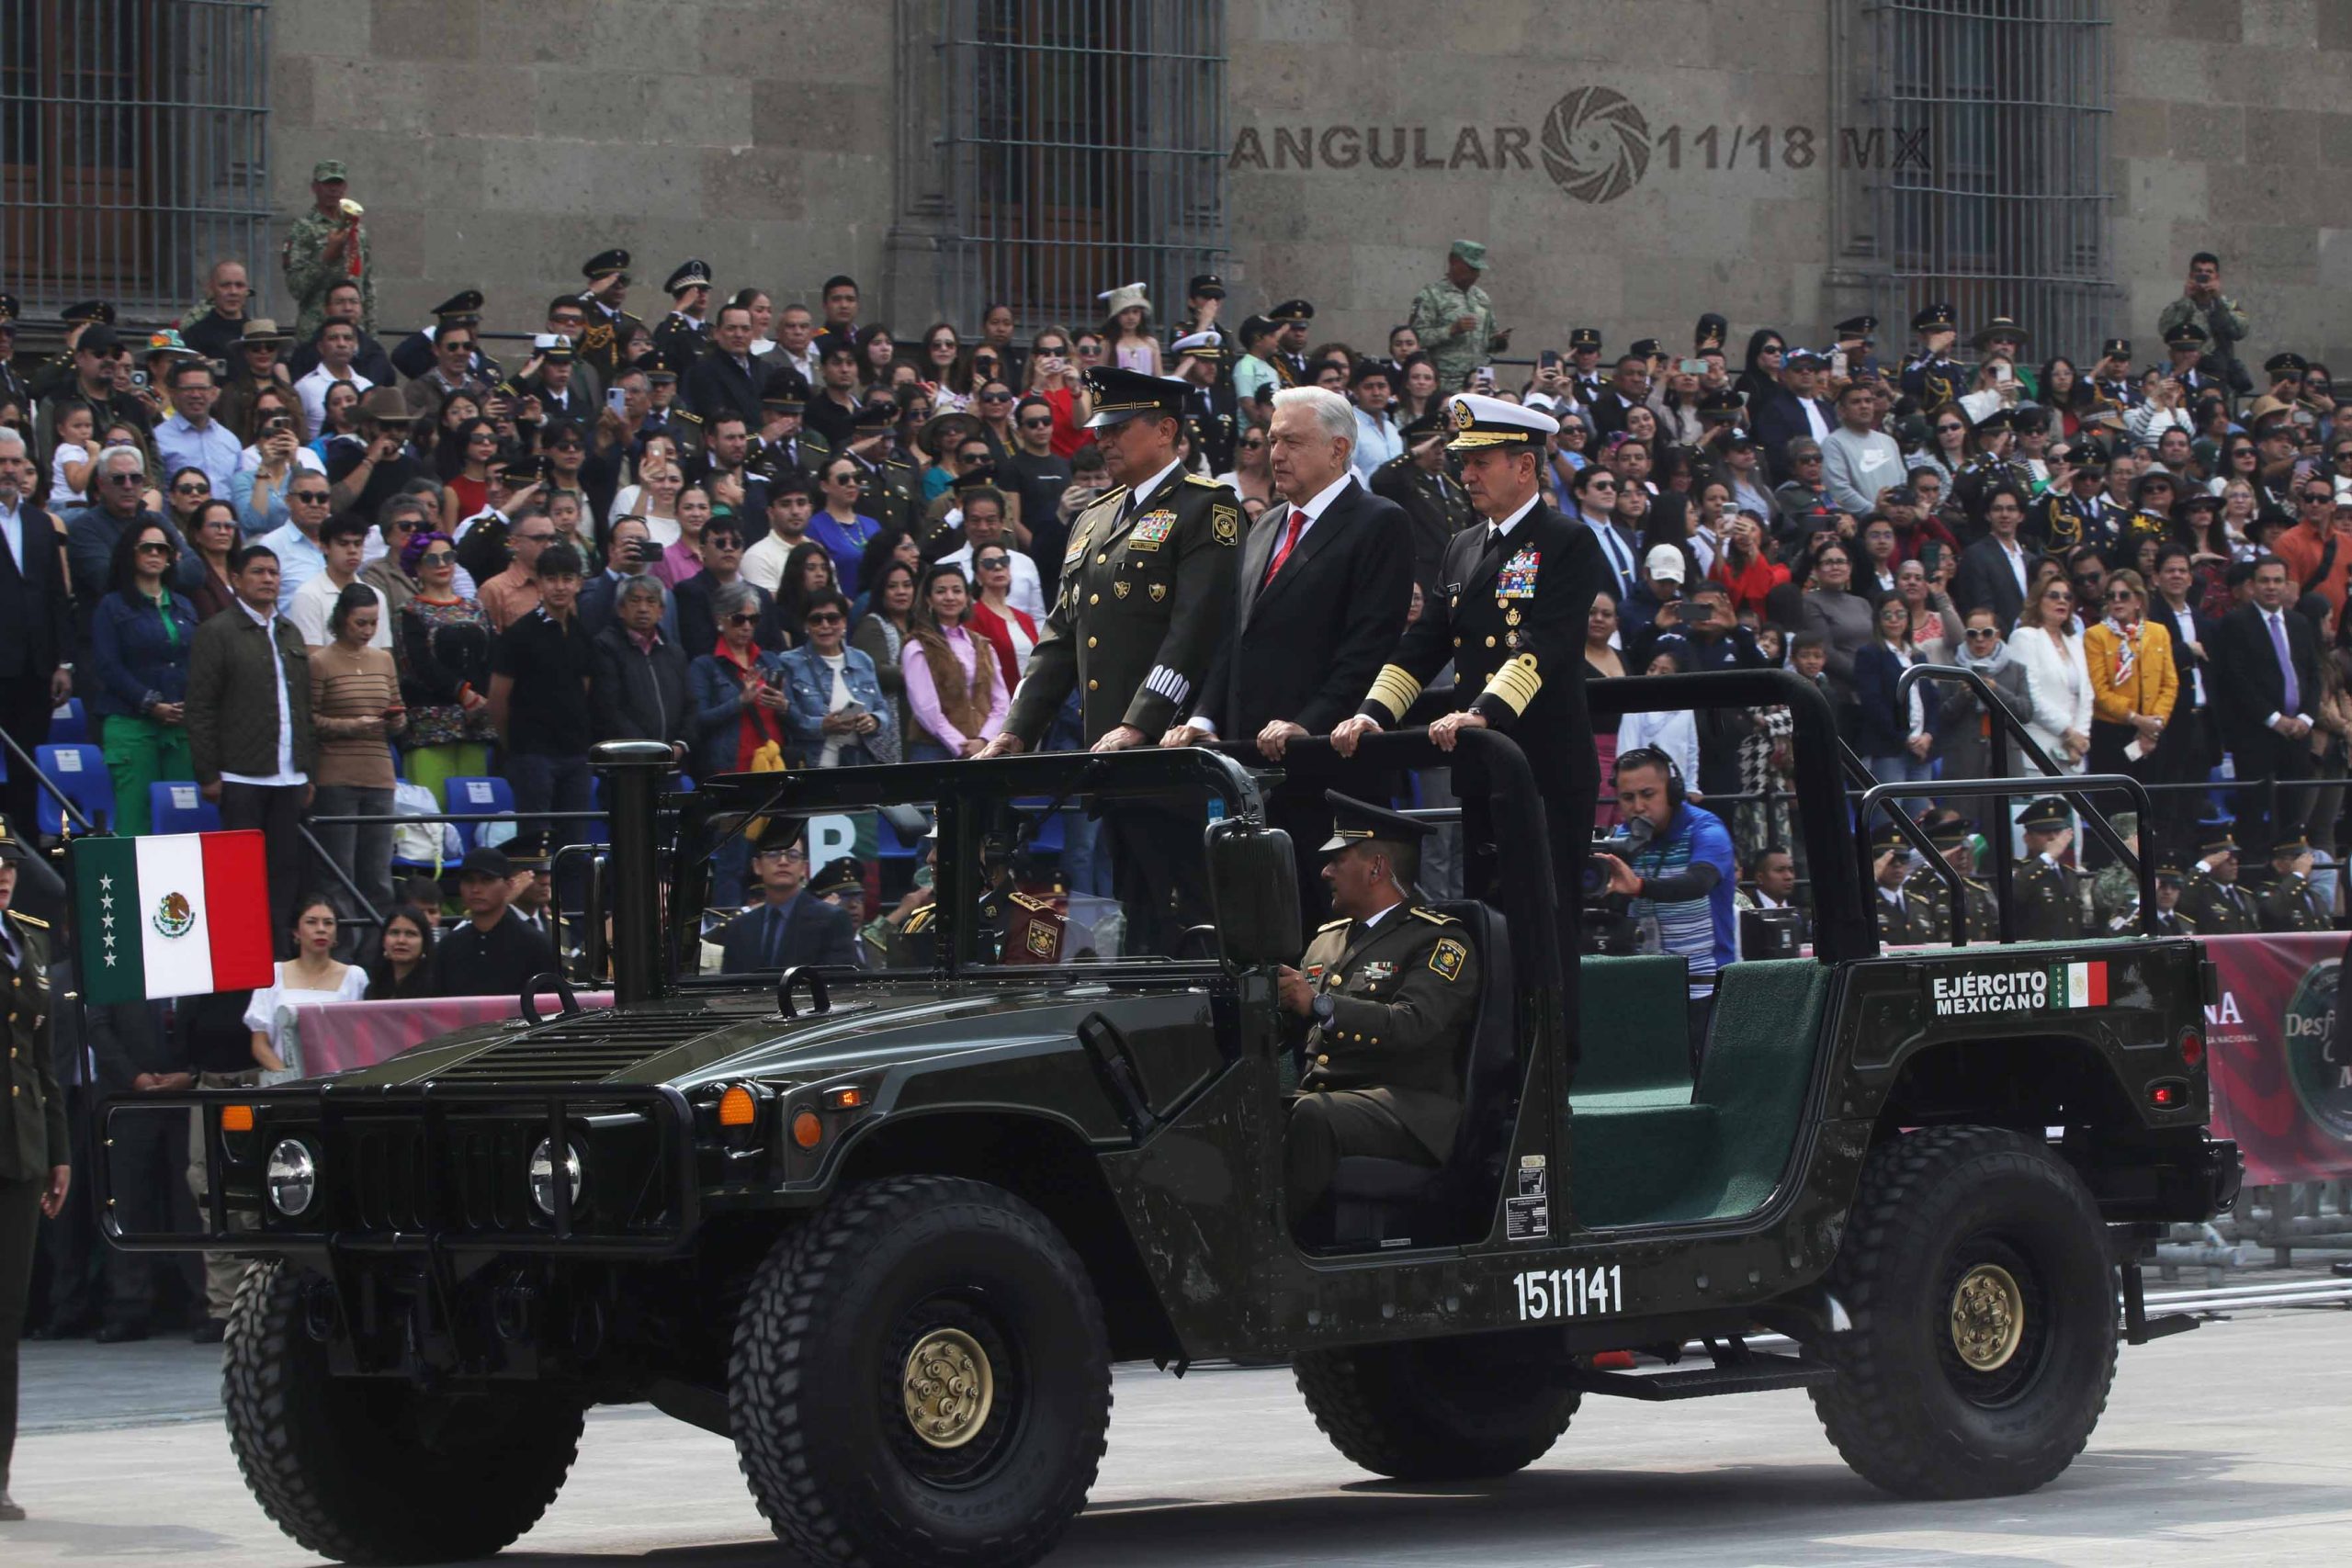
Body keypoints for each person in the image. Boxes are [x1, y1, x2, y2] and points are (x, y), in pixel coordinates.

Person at [979, 367, 1241, 954]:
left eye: (1120, 427)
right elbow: (1060, 637)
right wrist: (1017, 729)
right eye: (1101, 427)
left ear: (1166, 429)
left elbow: (1195, 629)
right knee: (1136, 910)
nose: (1103, 439)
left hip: (1172, 750)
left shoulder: (1207, 508)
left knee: (1189, 914)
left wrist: (1141, 722)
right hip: (1109, 754)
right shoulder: (1094, 519)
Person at [1332, 392, 1611, 933]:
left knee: (1546, 928)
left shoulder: (1567, 541)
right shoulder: (1463, 545)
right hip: (1483, 769)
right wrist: (1373, 714)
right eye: (1464, 461)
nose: (1467, 473)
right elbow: (1425, 644)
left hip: (1542, 765)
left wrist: (1483, 713)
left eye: (1481, 461)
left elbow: (1542, 643)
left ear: (1525, 465)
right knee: (1489, 924)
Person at [1167, 385, 1414, 909]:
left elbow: (1369, 646)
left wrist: (1312, 722)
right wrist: (1205, 718)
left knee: (1325, 930)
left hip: (1328, 771)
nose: (1276, 454)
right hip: (1250, 773)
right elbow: (1234, 637)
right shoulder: (1266, 525)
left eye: (1293, 442)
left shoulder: (1379, 521)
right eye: (1273, 440)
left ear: (1339, 449)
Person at [1276, 793, 1476, 1230]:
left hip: (1406, 1106)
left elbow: (1413, 1024)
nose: (1325, 871)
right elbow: (1294, 1028)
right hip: (1330, 1097)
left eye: (1338, 860)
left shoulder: (1438, 942)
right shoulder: (1326, 940)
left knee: (1313, 1115)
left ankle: (1270, 1245)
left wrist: (1321, 1005)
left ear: (1377, 868)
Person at [187, 544, 314, 942]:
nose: (268, 579)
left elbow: (303, 707)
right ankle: (240, 946)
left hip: (289, 775)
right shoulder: (217, 631)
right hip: (240, 774)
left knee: (287, 868)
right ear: (237, 580)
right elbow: (201, 707)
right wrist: (208, 773)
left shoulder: (290, 631)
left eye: (273, 573)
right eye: (257, 572)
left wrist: (307, 770)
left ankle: (276, 951)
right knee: (241, 869)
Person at [0, 821, 69, 1522]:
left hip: (16, 1151)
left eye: (9, 863)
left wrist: (57, 1150)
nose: (2, 873)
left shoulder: (30, 939)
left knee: (4, 1319)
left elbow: (40, 1060)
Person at [87, 520, 198, 833]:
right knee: (135, 820)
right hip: (131, 725)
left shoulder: (184, 605)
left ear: (170, 556)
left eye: (161, 548)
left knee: (182, 819)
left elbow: (195, 661)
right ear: (130, 554)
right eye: (146, 547)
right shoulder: (111, 605)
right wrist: (150, 704)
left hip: (180, 725)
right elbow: (107, 667)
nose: (154, 553)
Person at [491, 544, 596, 870]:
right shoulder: (519, 634)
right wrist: (514, 747)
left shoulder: (581, 634)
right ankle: (536, 916)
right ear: (539, 583)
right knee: (534, 846)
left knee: (575, 847)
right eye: (552, 579)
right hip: (532, 753)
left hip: (575, 754)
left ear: (579, 582)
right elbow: (497, 699)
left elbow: (585, 690)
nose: (560, 586)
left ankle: (576, 918)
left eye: (567, 578)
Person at [2212, 556, 2320, 863]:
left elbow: (2313, 674)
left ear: (2286, 585)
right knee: (2253, 811)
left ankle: (2291, 881)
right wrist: (2274, 720)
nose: (2271, 587)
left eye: (2277, 581)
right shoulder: (2236, 623)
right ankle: (2254, 879)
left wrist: (2305, 718)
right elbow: (2236, 679)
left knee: (2293, 813)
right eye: (2265, 581)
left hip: (2298, 736)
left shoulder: (2299, 623)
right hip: (2256, 736)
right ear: (2252, 585)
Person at [0, 430, 69, 840]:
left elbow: (57, 596)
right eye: (1, 461)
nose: (8, 470)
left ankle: (22, 853)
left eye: (15, 462)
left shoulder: (41, 523)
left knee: (28, 766)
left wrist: (63, 661)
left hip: (35, 667)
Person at [394, 530, 494, 804]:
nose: (442, 564)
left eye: (448, 557)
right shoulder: (410, 612)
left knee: (476, 810)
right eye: (432, 559)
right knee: (433, 813)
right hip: (429, 728)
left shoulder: (476, 607)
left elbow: (490, 656)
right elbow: (418, 665)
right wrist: (464, 693)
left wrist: (483, 699)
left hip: (475, 724)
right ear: (417, 567)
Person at [245, 897, 368, 1077]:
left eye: (328, 923)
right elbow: (259, 1044)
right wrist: (291, 1077)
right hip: (286, 1085)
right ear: (296, 931)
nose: (321, 929)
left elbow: (358, 1041)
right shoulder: (274, 973)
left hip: (336, 1082)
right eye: (311, 922)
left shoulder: (355, 977)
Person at [718, 826, 859, 974]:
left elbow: (838, 985)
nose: (783, 861)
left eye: (792, 855)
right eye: (773, 854)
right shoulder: (739, 927)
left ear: (804, 867)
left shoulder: (831, 919)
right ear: (757, 866)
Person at [2083, 568, 2176, 792]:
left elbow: (2170, 683)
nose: (2117, 601)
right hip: (2112, 733)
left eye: (2124, 595)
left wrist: (2155, 723)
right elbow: (2099, 691)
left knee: (2154, 802)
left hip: (2153, 730)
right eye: (2111, 596)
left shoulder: (2158, 632)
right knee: (2116, 804)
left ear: (2138, 600)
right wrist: (2135, 719)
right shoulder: (2095, 635)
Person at [777, 589, 889, 767]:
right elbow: (786, 718)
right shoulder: (789, 662)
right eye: (816, 620)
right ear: (806, 625)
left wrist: (874, 721)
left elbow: (882, 707)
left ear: (844, 622)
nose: (825, 625)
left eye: (832, 618)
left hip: (860, 764)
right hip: (812, 765)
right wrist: (822, 726)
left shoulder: (863, 660)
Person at [428, 845, 560, 997]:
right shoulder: (448, 947)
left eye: (487, 880)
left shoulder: (536, 944)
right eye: (469, 881)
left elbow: (549, 1003)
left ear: (509, 885)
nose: (476, 889)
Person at [902, 565, 1004, 760]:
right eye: (941, 591)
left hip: (983, 751)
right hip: (934, 750)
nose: (950, 597)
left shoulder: (982, 645)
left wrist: (984, 740)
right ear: (928, 599)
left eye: (957, 591)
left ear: (966, 598)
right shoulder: (917, 646)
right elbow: (926, 709)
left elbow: (1001, 702)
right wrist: (961, 746)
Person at [590, 574, 691, 751]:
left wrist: (681, 744)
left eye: (651, 601)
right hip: (626, 759)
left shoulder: (674, 652)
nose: (643, 608)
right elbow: (609, 708)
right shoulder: (605, 647)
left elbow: (691, 704)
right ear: (620, 609)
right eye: (635, 601)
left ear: (661, 611)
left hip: (672, 759)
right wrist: (649, 749)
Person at [281, 160, 371, 340]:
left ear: (345, 187)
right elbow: (296, 287)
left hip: (354, 331)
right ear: (315, 187)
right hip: (317, 331)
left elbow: (367, 285)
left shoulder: (357, 229)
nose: (333, 190)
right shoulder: (303, 229)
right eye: (327, 184)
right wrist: (326, 257)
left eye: (337, 183)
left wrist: (371, 332)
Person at [2011, 574, 2092, 773]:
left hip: (2074, 754)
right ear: (2038, 601)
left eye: (2067, 597)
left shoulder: (2075, 642)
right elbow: (2031, 696)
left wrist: (2080, 738)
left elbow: (2087, 694)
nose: (2062, 601)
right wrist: (2068, 731)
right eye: (2054, 595)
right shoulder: (2024, 637)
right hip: (2038, 752)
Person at [2158, 252, 2250, 402]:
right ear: (2191, 275)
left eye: (2209, 272)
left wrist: (2219, 300)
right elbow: (2165, 330)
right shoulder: (2180, 306)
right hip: (2188, 375)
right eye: (2199, 272)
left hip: (2221, 376)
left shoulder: (2228, 305)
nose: (2203, 275)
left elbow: (2240, 332)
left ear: (2217, 277)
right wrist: (2185, 299)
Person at [1820, 380, 1905, 515]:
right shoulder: (1833, 443)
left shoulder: (1889, 442)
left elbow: (1902, 481)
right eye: (1856, 402)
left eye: (1868, 401)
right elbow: (1838, 489)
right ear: (1842, 411)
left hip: (1894, 522)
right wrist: (1874, 512)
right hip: (1860, 525)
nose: (1864, 406)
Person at [2011, 796, 2083, 941]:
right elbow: (2014, 892)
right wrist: (2049, 856)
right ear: (2027, 838)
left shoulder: (2067, 873)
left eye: (2057, 831)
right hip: (2036, 958)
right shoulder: (2020, 871)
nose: (2052, 837)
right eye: (2044, 832)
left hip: (2070, 956)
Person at [2179, 822, 2258, 934]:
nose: (2234, 862)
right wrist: (2203, 866)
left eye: (2235, 856)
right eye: (2226, 858)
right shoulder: (2201, 894)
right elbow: (2182, 898)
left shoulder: (2243, 895)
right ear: (2212, 860)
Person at [2257, 833, 2330, 931]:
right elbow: (2272, 911)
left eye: (2306, 857)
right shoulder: (2267, 892)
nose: (2305, 863)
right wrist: (2298, 875)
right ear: (2278, 864)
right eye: (2297, 858)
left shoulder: (2314, 897)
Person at [366, 904, 437, 1000]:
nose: (401, 940)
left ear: (424, 943)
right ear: (383, 941)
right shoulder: (373, 989)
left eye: (411, 934)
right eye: (394, 933)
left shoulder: (437, 988)